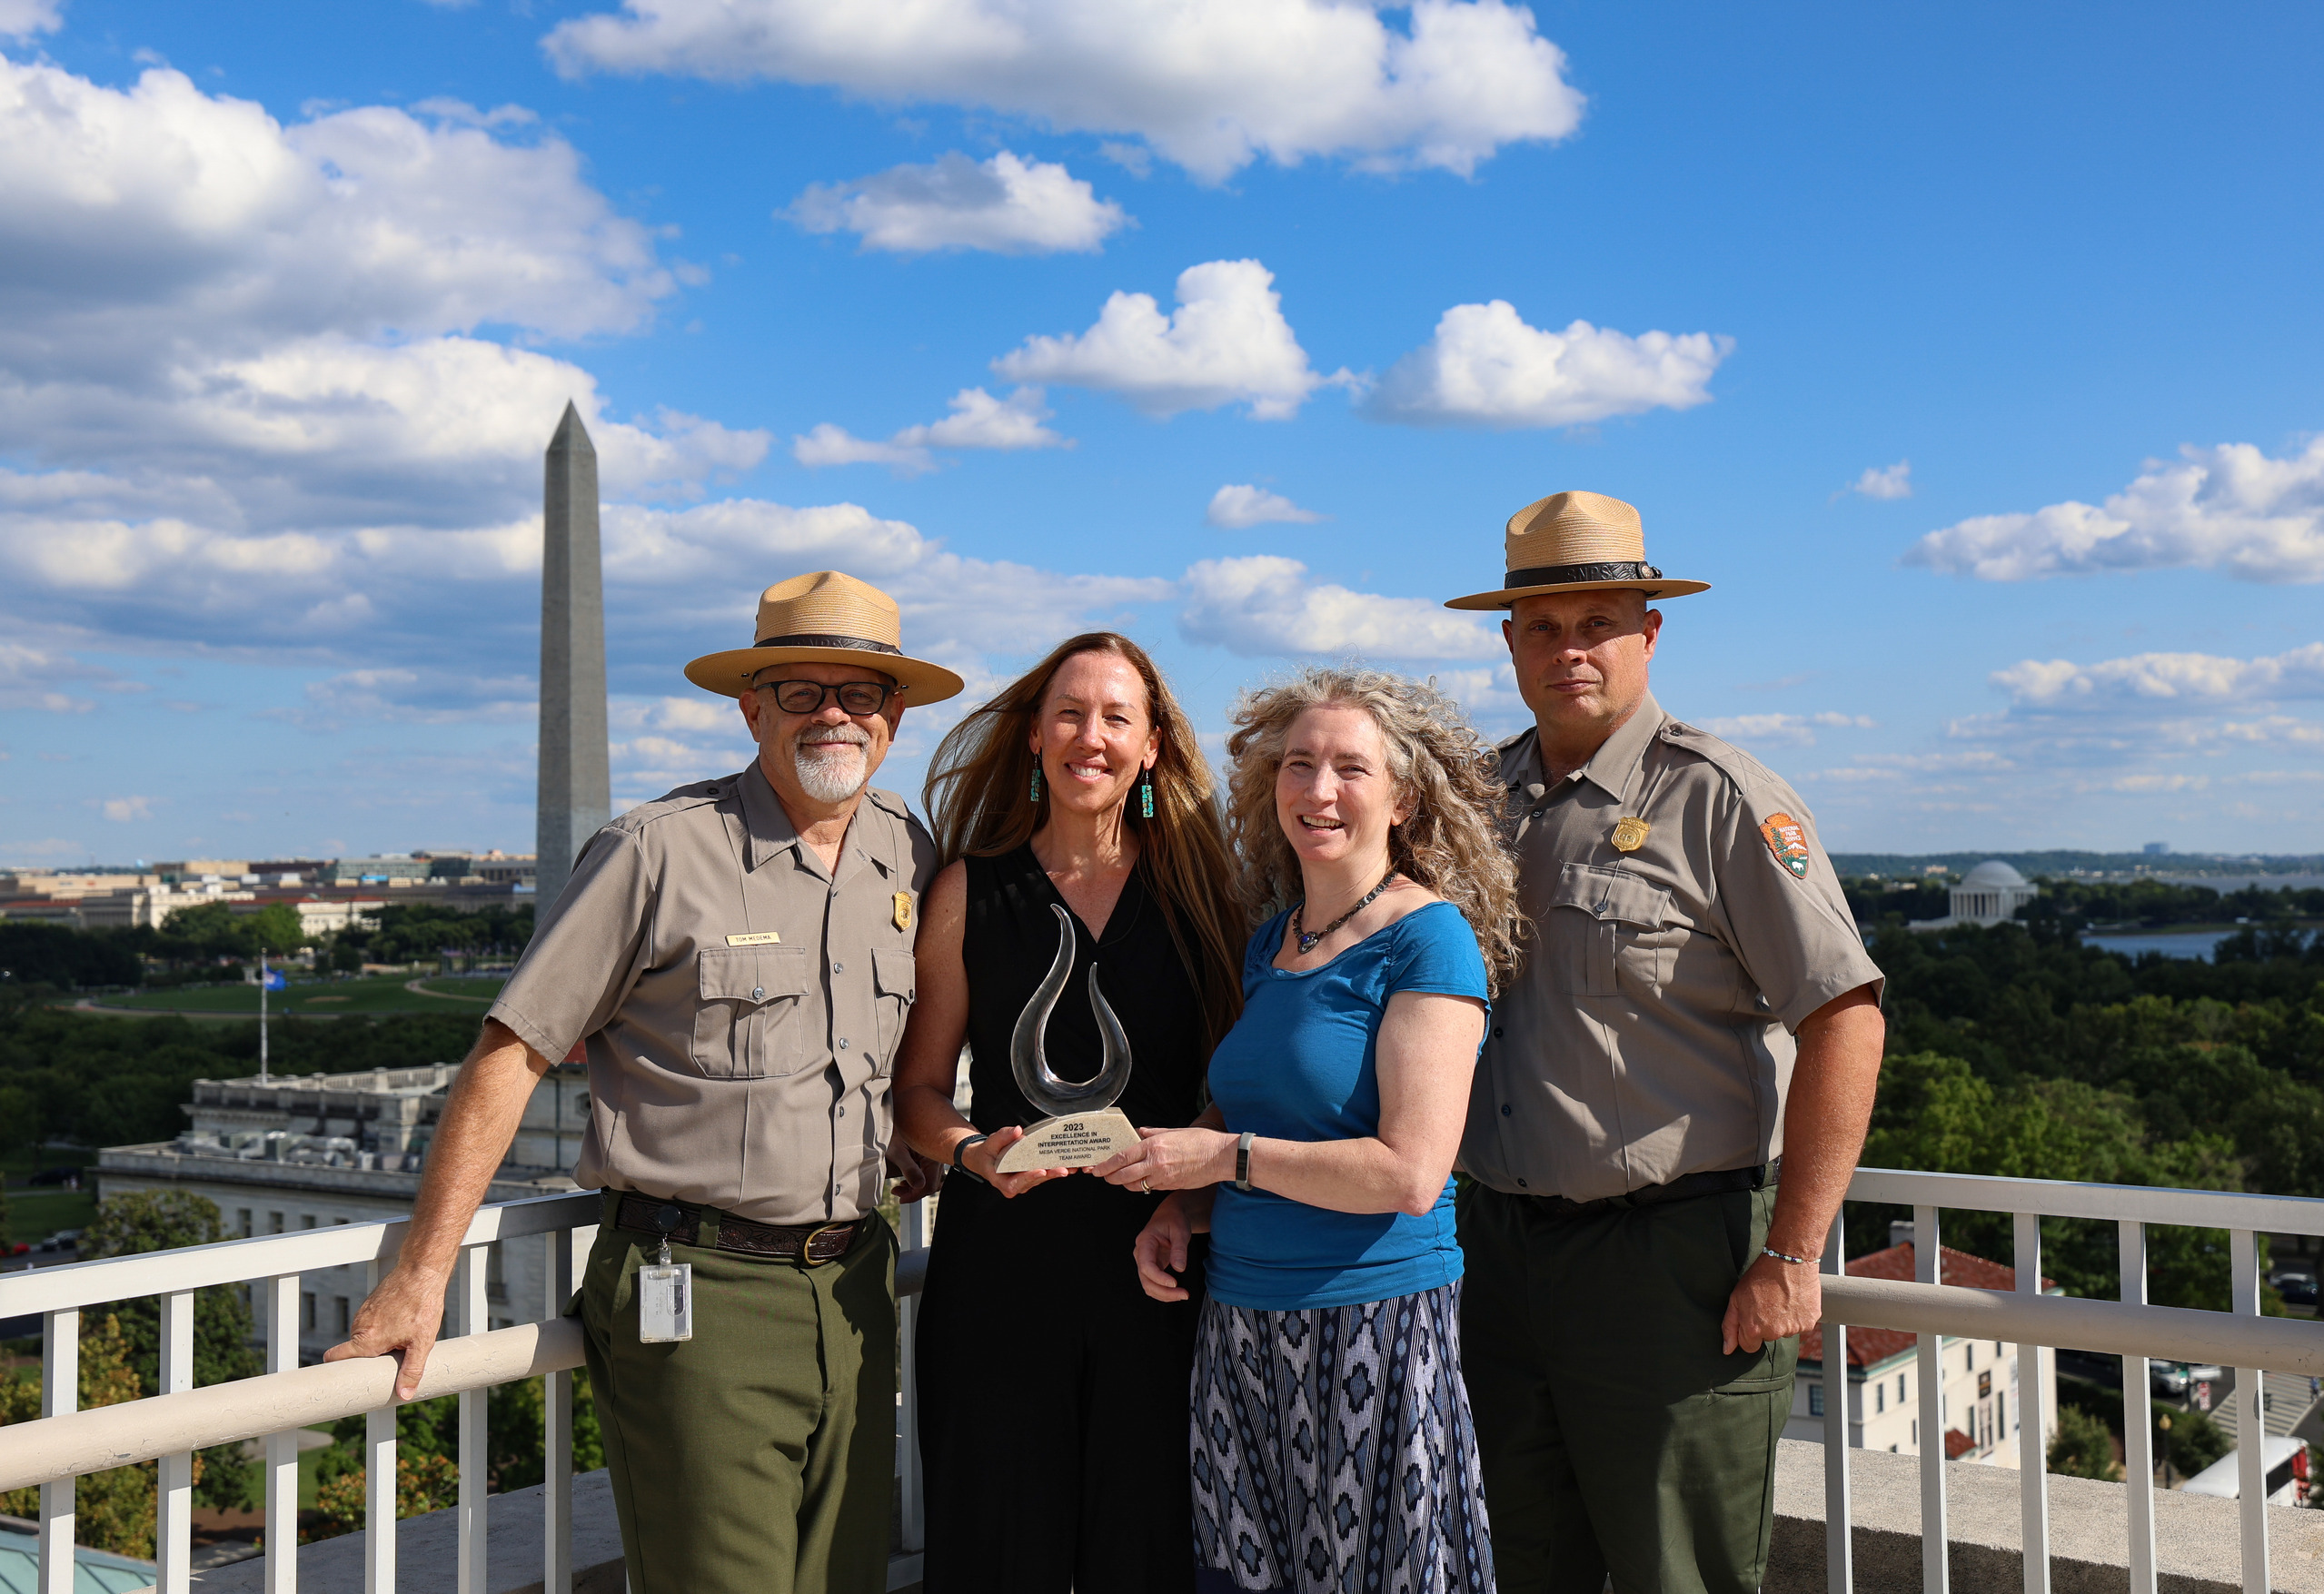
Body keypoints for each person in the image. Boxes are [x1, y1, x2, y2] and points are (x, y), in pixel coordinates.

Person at [327, 569, 959, 1594]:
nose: (833, 716)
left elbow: (870, 1047)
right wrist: (421, 1270)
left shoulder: (903, 848)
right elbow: (513, 1050)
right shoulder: (654, 853)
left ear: (894, 717)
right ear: (750, 708)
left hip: (855, 1286)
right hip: (697, 1292)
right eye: (802, 693)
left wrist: (888, 1135)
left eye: (860, 694)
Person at [1439, 491, 1888, 1594]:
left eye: (1597, 622)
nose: (1568, 650)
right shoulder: (1470, 806)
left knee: (1673, 1574)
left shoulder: (1719, 798)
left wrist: (1789, 1255)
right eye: (1540, 627)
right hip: (1493, 1257)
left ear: (1648, 630)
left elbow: (1843, 1017)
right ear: (1507, 643)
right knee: (1511, 1564)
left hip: (1670, 1269)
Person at [1107, 667, 1517, 1594]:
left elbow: (1409, 1174)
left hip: (1371, 1324)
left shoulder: (1428, 939)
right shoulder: (1272, 940)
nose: (1317, 791)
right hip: (1242, 1324)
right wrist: (1183, 1202)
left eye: (1348, 769)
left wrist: (1219, 1159)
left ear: (1404, 798)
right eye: (1297, 765)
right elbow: (1254, 1109)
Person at [893, 631, 1246, 1594]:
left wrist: (1188, 1192)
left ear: (1151, 747)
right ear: (1035, 735)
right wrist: (970, 1154)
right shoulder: (970, 888)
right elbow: (917, 1092)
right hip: (1001, 1265)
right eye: (1069, 712)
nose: (1089, 735)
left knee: (1151, 1548)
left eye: (1115, 717)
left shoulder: (1200, 891)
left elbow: (1237, 1078)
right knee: (995, 1546)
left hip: (1162, 1264)